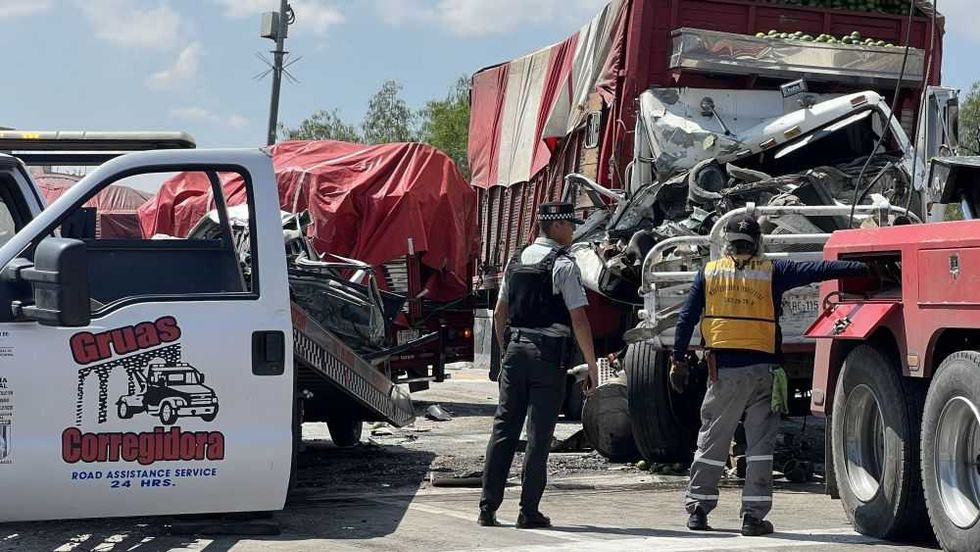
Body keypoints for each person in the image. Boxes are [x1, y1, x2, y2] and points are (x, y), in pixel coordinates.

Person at [670, 214, 868, 536]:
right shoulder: (773, 272)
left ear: (726, 243)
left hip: (724, 374)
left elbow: (685, 319)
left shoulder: (708, 274)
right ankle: (753, 517)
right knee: (760, 446)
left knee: (713, 440)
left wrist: (678, 359)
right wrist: (863, 267)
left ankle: (698, 510)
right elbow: (820, 269)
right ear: (757, 244)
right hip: (764, 372)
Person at [478, 201, 599, 529]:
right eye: (570, 225)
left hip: (516, 352)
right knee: (538, 435)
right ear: (556, 226)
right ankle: (528, 511)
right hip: (547, 357)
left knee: (503, 431)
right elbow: (579, 319)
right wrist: (592, 365)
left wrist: (506, 352)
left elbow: (500, 313)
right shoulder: (563, 265)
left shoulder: (515, 261)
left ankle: (487, 508)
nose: (573, 231)